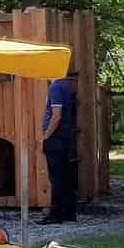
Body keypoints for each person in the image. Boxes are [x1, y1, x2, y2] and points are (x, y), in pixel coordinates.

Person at [39, 69, 79, 224]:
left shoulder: (56, 87)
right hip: (66, 137)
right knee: (66, 175)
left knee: (56, 177)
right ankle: (69, 212)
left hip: (56, 138)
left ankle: (56, 214)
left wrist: (46, 136)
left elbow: (56, 116)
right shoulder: (67, 86)